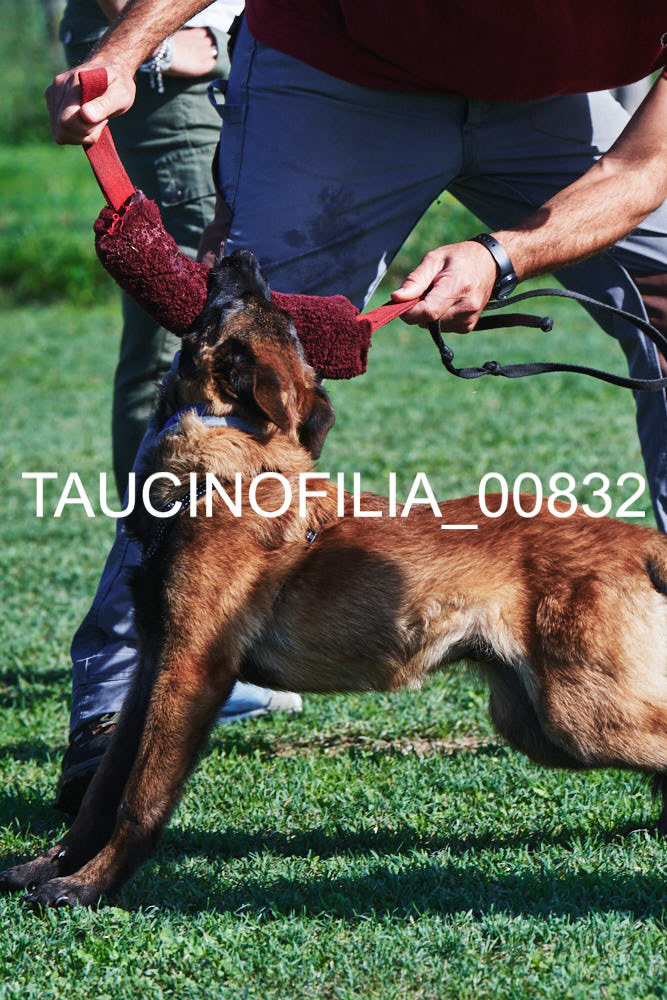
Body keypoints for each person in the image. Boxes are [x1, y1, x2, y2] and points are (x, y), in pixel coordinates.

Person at [46, 0, 667, 809]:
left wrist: (502, 257)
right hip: (340, 74)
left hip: (557, 100)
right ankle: (120, 710)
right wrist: (127, 50)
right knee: (233, 361)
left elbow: (642, 170)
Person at [51, 1, 303, 814]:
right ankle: (166, 640)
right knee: (194, 341)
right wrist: (148, 42)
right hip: (177, 63)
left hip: (232, 56)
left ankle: (195, 622)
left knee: (187, 334)